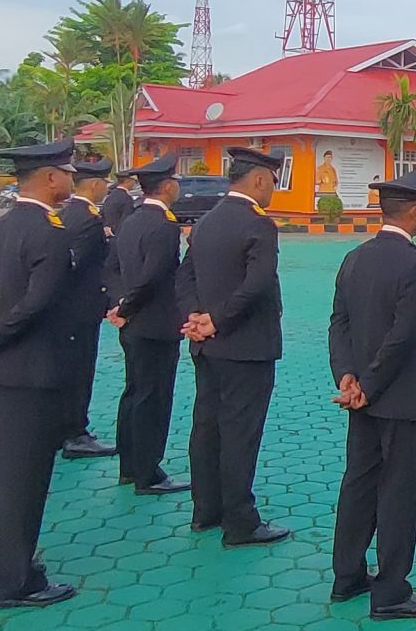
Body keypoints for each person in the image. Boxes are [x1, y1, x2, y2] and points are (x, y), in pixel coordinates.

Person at [0, 141, 82, 607]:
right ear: (50, 178)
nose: (72, 179)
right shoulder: (49, 231)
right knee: (22, 479)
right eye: (67, 172)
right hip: (30, 369)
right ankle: (14, 581)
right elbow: (39, 301)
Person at [328, 167, 416, 619]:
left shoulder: (354, 257)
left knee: (358, 482)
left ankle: (347, 576)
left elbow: (339, 323)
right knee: (399, 490)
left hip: (360, 398)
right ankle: (391, 590)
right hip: (400, 399)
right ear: (413, 211)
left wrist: (347, 377)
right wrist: (370, 386)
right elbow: (403, 336)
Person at [176, 145, 292, 547]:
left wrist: (196, 317)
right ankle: (240, 521)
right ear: (259, 179)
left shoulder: (206, 221)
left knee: (206, 427)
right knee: (240, 433)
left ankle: (205, 510)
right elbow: (257, 284)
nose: (271, 192)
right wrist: (218, 319)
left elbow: (185, 275)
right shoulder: (258, 224)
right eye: (272, 183)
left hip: (207, 346)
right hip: (246, 347)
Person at [108, 156, 191, 495]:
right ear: (167, 186)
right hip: (154, 324)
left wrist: (117, 304)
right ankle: (148, 473)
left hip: (133, 324)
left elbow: (111, 268)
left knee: (134, 393)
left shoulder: (132, 220)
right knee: (153, 397)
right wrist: (127, 307)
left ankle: (129, 465)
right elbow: (153, 277)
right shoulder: (164, 226)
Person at [55, 155, 121, 462]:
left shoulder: (71, 212)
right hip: (79, 309)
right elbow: (73, 264)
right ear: (94, 184)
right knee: (79, 370)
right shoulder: (86, 218)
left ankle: (67, 429)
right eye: (104, 183)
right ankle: (74, 433)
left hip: (73, 309)